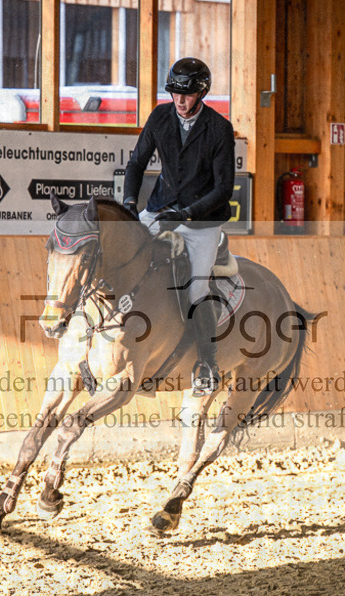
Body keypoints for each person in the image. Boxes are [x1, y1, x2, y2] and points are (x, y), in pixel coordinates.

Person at [123, 57, 236, 396]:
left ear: (202, 93)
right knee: (123, 261)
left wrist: (186, 215)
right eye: (174, 93)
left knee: (196, 291)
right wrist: (130, 203)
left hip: (202, 221)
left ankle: (207, 366)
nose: (179, 101)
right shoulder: (160, 116)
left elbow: (223, 190)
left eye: (186, 96)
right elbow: (136, 162)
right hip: (159, 209)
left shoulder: (219, 128)